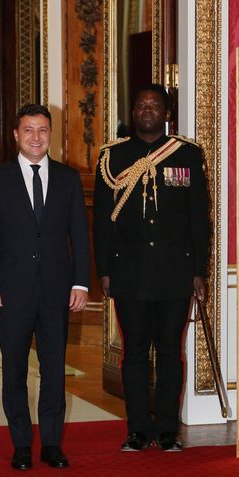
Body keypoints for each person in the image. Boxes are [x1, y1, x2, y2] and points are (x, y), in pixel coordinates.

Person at [93, 84, 210, 452]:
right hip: (129, 273)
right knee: (136, 353)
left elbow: (198, 219)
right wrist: (104, 270)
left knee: (171, 353)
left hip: (175, 273)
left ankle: (168, 431)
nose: (147, 110)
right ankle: (139, 429)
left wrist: (200, 271)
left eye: (154, 105)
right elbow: (101, 220)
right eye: (141, 104)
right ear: (134, 110)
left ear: (166, 112)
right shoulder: (113, 157)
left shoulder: (187, 155)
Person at [0, 104, 90, 470]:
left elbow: (79, 237)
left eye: (42, 130)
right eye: (28, 130)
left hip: (57, 290)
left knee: (55, 370)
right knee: (15, 371)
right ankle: (21, 443)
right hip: (12, 291)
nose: (36, 137)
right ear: (16, 135)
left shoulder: (69, 178)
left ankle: (52, 444)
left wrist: (81, 282)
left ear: (50, 134)